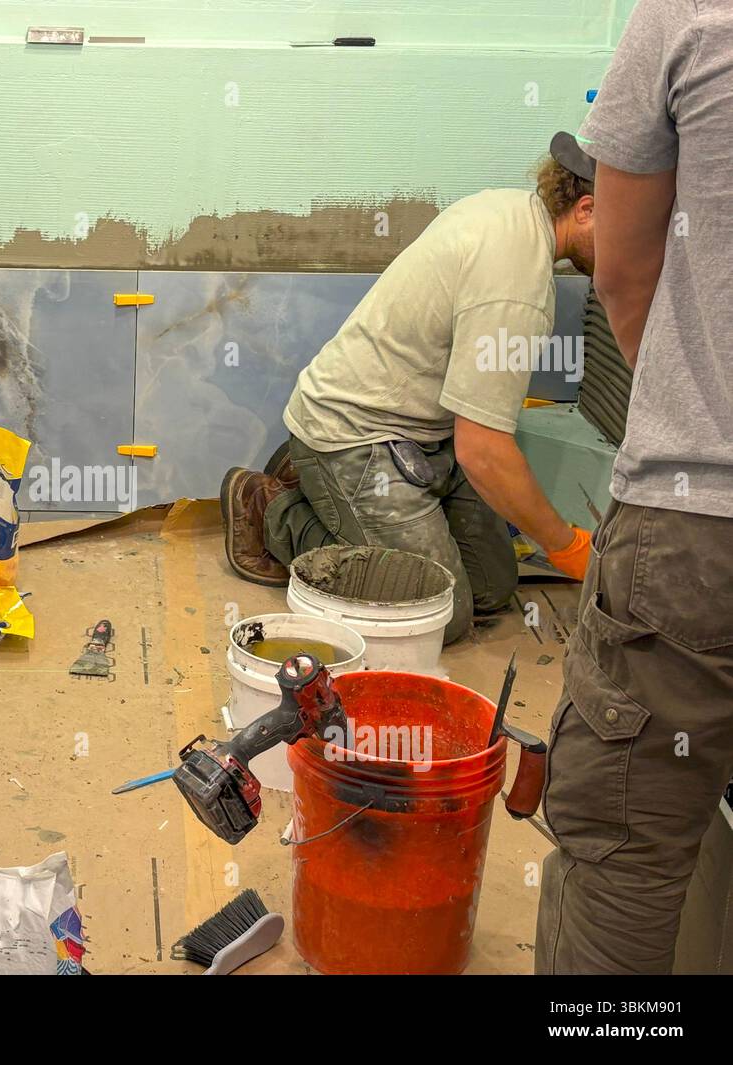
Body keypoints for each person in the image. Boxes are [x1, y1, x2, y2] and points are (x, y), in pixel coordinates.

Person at [535, 0, 733, 974]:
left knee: (621, 854)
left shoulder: (684, 17)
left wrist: (685, 411)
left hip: (697, 523)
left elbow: (625, 274)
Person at [220, 138, 595, 644]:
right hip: (357, 435)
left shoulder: (510, 210)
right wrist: (567, 545)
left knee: (492, 590)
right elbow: (483, 452)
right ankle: (275, 510)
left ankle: (324, 490)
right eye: (635, 227)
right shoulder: (515, 285)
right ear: (587, 209)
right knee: (441, 618)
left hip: (421, 436)